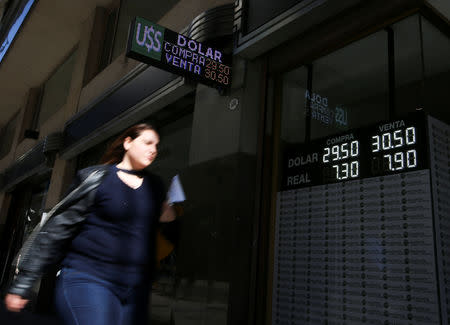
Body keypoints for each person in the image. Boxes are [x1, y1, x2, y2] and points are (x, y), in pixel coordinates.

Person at [4, 123, 176, 324]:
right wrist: (24, 282)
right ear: (128, 143)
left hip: (135, 288)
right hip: (88, 278)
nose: (153, 150)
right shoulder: (96, 178)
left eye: (156, 145)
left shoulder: (155, 186)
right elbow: (56, 230)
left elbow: (163, 223)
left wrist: (172, 210)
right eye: (147, 142)